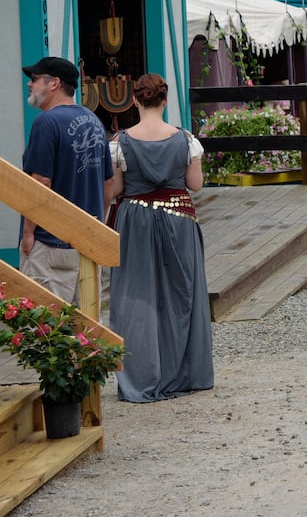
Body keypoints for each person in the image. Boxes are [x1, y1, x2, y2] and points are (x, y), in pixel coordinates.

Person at [104, 73, 213, 402]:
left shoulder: (119, 143)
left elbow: (116, 190)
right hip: (178, 219)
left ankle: (142, 377)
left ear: (134, 100)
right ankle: (187, 373)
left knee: (137, 298)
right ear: (165, 101)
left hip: (134, 222)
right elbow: (195, 185)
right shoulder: (186, 140)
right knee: (181, 295)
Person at [20, 56, 111, 304]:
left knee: (44, 329)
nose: (29, 84)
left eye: (34, 79)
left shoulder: (46, 123)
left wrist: (28, 233)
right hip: (87, 241)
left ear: (54, 83)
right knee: (87, 329)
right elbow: (108, 184)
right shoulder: (94, 121)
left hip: (50, 242)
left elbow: (40, 183)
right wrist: (98, 223)